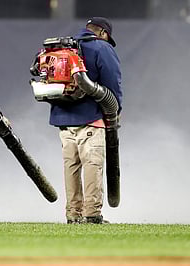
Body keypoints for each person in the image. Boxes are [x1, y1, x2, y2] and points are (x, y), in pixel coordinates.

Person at [50, 17, 122, 224]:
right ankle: (92, 214)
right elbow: (112, 83)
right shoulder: (102, 48)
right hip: (91, 118)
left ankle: (73, 214)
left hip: (63, 120)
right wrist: (116, 110)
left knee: (71, 166)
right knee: (92, 164)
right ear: (103, 33)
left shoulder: (62, 49)